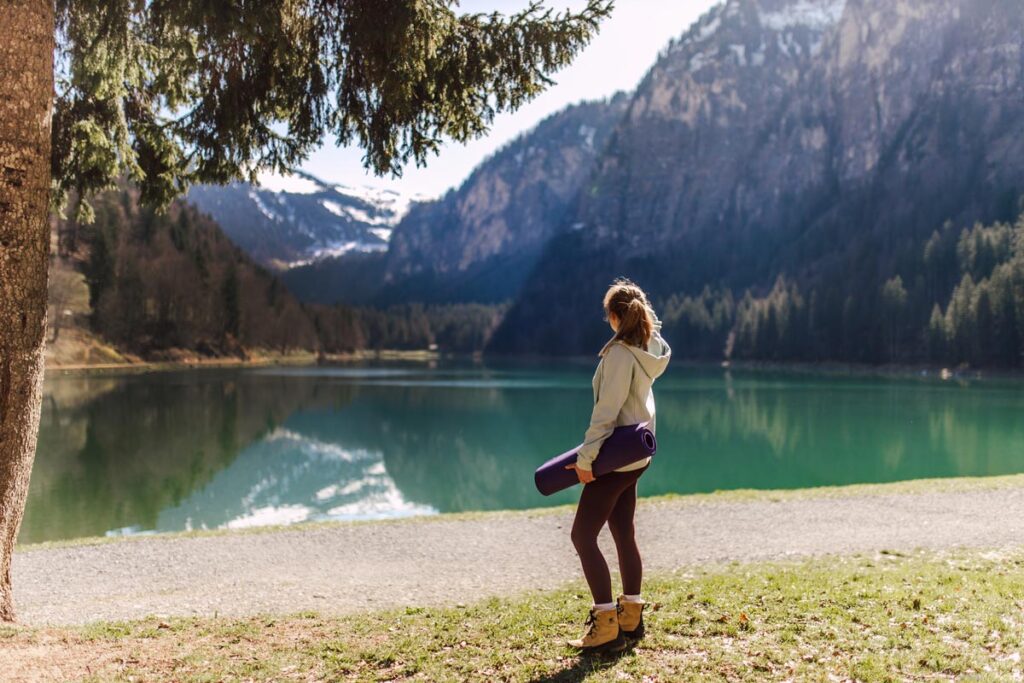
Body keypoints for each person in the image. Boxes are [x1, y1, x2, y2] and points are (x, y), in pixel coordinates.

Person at [564, 277, 672, 653]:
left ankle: (606, 624)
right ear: (641, 314)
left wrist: (586, 460)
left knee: (582, 536)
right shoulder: (650, 347)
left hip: (613, 458)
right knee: (623, 532)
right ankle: (631, 616)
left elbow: (605, 413)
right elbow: (649, 324)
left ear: (613, 316)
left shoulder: (620, 355)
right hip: (636, 456)